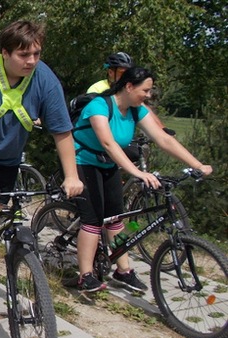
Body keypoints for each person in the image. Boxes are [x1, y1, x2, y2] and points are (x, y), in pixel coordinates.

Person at [0, 20, 84, 299]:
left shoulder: (45, 79)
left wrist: (72, 175)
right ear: (5, 53)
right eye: (23, 55)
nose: (31, 61)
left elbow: (62, 130)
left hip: (8, 159)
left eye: (36, 54)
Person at [72, 66, 212, 292]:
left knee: (116, 218)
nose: (148, 95)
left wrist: (197, 165)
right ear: (129, 86)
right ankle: (85, 275)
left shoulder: (136, 109)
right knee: (93, 220)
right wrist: (137, 173)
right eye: (145, 90)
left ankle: (122, 269)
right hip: (83, 160)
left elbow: (163, 139)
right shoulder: (100, 105)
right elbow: (108, 143)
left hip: (108, 162)